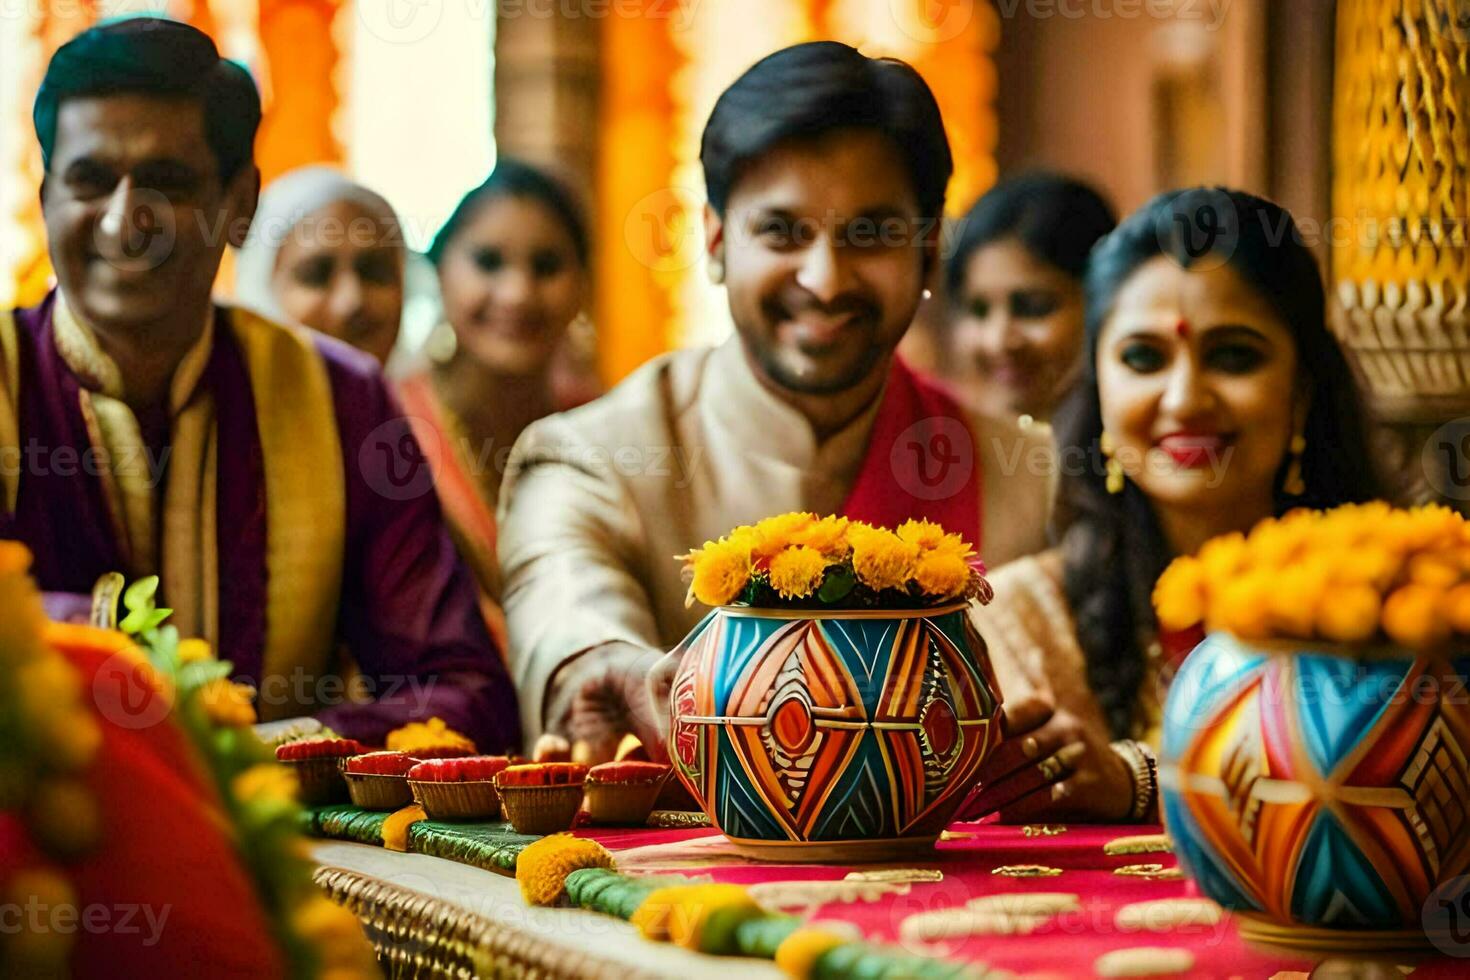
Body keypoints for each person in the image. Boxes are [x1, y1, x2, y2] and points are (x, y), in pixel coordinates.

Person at [498, 41, 1053, 757]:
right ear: (717, 240)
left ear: (929, 251)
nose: (825, 280)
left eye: (871, 234)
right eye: (783, 233)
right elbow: (568, 618)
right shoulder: (590, 461)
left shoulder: (1030, 476)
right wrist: (613, 674)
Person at [0, 18, 518, 750]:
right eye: (89, 182)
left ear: (240, 203)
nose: (124, 220)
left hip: (279, 849)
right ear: (44, 193)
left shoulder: (340, 398)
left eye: (167, 183)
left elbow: (465, 694)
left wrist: (258, 748)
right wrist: (95, 637)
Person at [966, 188, 1382, 823]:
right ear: (1100, 388)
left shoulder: (1396, 610)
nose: (1185, 398)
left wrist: (1136, 781)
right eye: (1143, 359)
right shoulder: (1023, 622)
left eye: (1233, 356)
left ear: (1302, 393)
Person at [397, 159, 595, 608]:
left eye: (546, 266)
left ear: (584, 283)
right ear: (440, 272)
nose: (517, 293)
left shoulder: (603, 428)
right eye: (488, 262)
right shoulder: (392, 422)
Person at [943, 172, 1116, 424]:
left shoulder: (1145, 454)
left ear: (1105, 303)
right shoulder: (934, 448)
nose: (998, 340)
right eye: (978, 310)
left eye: (1033, 308)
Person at [233, 165, 406, 366]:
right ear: (259, 290)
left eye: (374, 271)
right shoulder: (220, 396)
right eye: (316, 276)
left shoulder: (426, 396)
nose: (351, 301)